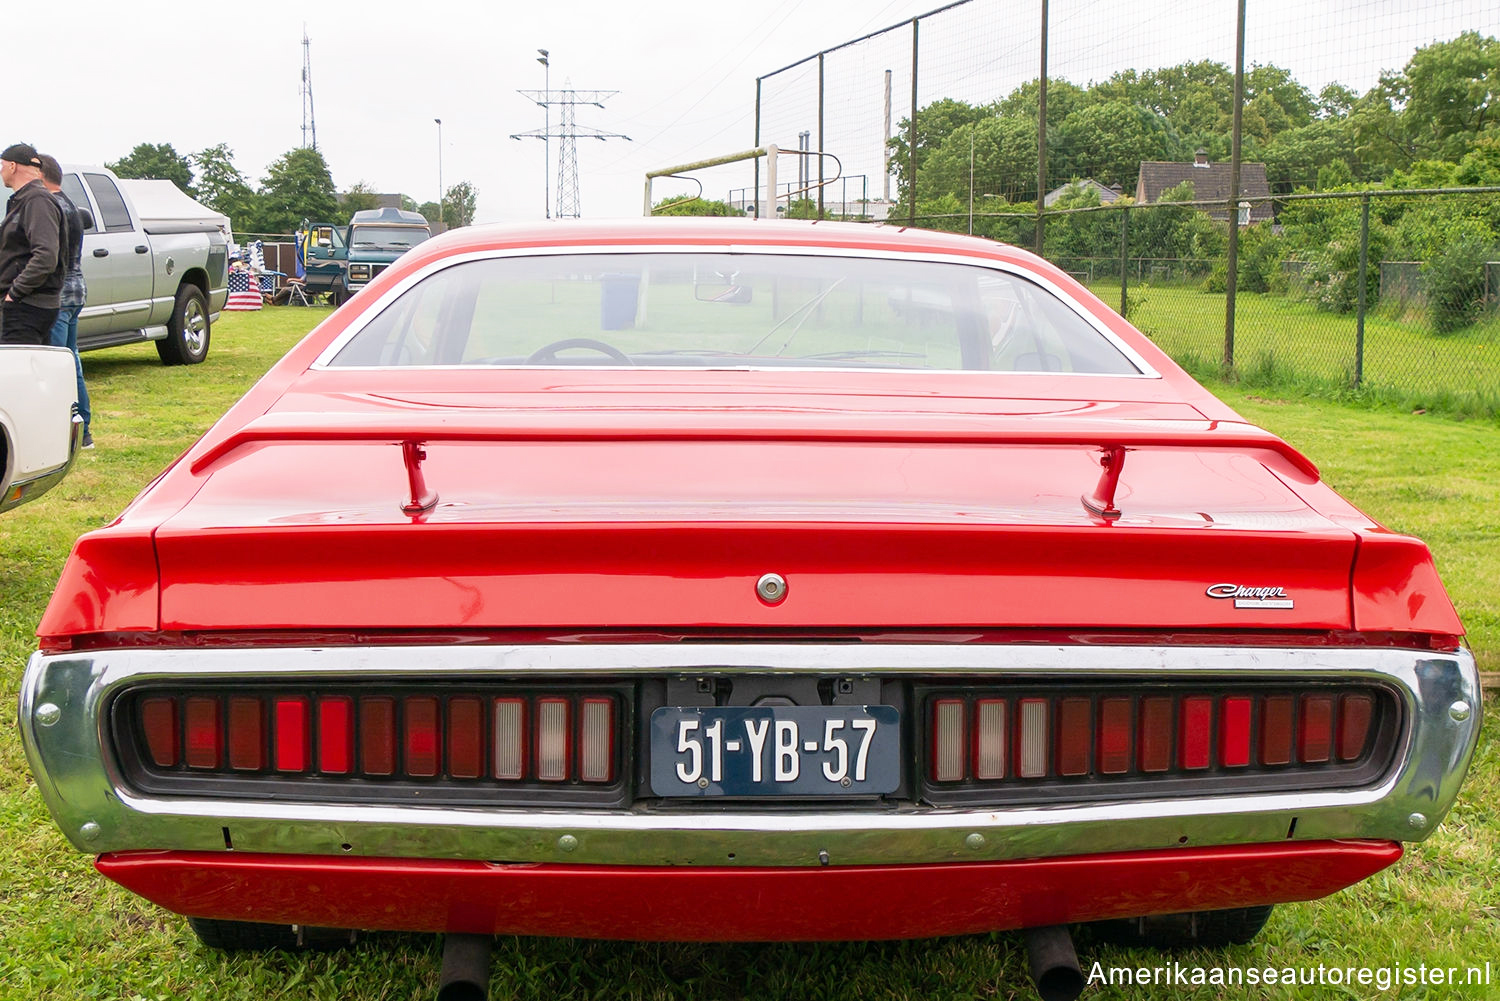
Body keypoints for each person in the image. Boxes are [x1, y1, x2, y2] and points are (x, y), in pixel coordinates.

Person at [38, 154, 91, 447]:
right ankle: (84, 429)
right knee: (72, 362)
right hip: (76, 290)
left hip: (58, 295)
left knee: (57, 366)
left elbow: (47, 255)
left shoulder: (51, 207)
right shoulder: (71, 204)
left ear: (41, 176)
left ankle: (67, 431)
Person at [0, 143, 63, 345]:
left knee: (16, 372)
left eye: (1, 165)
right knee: (33, 370)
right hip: (26, 305)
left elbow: (46, 256)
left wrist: (14, 293)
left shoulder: (37, 200)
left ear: (12, 166)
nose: (0, 171)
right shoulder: (23, 200)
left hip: (27, 306)